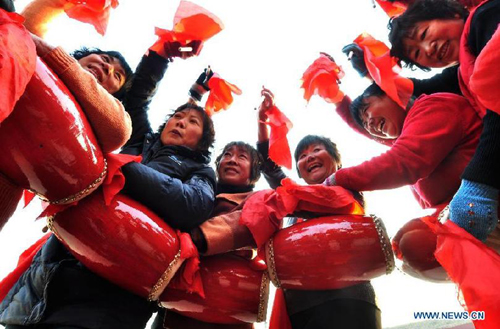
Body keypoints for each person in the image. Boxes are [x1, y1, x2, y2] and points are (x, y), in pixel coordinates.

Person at [0, 0, 134, 230]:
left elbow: (118, 130)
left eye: (117, 76)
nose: (107, 67)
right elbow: (24, 24)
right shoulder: (31, 55)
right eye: (104, 58)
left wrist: (46, 50)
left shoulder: (105, 122)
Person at [257, 89, 380, 329]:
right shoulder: (294, 200)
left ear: (336, 160)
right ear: (300, 172)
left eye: (316, 150)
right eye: (302, 156)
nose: (309, 157)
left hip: (351, 301)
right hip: (298, 305)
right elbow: (269, 166)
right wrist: (263, 121)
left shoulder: (347, 186)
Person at [387, 0, 500, 240]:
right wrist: (368, 69)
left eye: (425, 33)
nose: (428, 49)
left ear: (450, 12)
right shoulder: (462, 73)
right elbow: (415, 89)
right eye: (417, 54)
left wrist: (479, 183)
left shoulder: (485, 16)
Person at [151, 141, 263, 329]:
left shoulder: (260, 199)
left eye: (241, 156)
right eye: (227, 155)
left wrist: (194, 238)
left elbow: (251, 225)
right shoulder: (197, 192)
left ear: (253, 173)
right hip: (176, 305)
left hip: (226, 306)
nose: (232, 160)